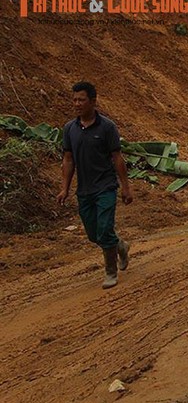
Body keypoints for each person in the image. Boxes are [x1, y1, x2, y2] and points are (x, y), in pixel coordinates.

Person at [56, 82, 133, 289]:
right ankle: (120, 246)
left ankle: (110, 272)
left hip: (106, 186)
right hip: (85, 189)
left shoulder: (107, 127)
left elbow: (117, 157)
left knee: (105, 228)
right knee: (94, 234)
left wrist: (125, 187)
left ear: (92, 101)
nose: (77, 104)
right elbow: (68, 159)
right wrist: (65, 188)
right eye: (74, 100)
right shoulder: (70, 129)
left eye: (81, 99)